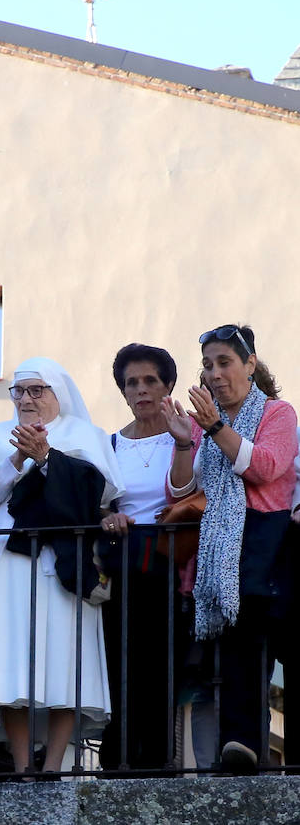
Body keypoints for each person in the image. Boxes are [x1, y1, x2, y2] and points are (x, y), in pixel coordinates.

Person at [0, 358, 121, 775]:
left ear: (58, 394)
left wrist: (49, 458)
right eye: (19, 390)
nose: (26, 399)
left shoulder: (85, 435)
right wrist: (19, 458)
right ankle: (22, 766)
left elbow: (100, 493)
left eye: (37, 390)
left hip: (67, 564)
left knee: (66, 664)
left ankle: (53, 765)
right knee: (11, 665)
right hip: (11, 564)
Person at [164, 324, 297, 774]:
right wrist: (185, 441)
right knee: (239, 645)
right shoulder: (206, 422)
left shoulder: (278, 413)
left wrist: (215, 426)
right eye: (207, 365)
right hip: (225, 547)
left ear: (250, 365)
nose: (215, 373)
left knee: (281, 643)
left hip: (273, 541)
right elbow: (182, 490)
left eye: (224, 362)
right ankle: (242, 746)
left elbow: (264, 466)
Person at [97, 343, 188, 770]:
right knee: (117, 667)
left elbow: (190, 493)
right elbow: (97, 504)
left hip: (170, 564)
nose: (141, 389)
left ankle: (157, 763)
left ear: (168, 384)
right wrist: (109, 516)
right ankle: (116, 766)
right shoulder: (109, 443)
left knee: (161, 669)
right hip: (121, 566)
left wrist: (184, 445)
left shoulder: (187, 435)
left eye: (150, 380)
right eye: (131, 382)